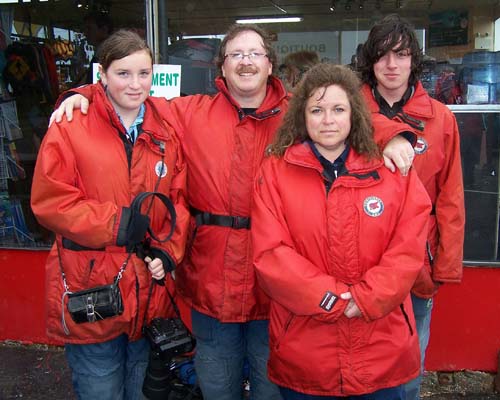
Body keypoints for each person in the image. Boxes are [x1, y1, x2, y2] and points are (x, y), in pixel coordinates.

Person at [50, 23, 417, 400]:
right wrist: (81, 94)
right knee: (216, 381)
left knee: (270, 382)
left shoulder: (299, 112)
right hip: (213, 277)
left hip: (277, 283)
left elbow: (346, 116)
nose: (245, 62)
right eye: (235, 55)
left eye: (255, 53)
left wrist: (394, 135)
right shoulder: (189, 112)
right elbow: (131, 96)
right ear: (221, 68)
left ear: (270, 64)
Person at [252, 63, 432, 399]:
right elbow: (270, 252)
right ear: (302, 116)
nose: (328, 120)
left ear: (354, 114)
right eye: (316, 110)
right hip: (307, 354)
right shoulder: (275, 172)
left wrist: (366, 297)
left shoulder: (392, 170)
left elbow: (408, 248)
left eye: (338, 109)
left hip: (380, 348)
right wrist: (330, 299)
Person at [31, 29, 189, 400]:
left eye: (144, 73)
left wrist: (169, 251)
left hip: (148, 296)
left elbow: (179, 201)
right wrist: (116, 223)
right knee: (100, 388)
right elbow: (49, 200)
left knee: (142, 389)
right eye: (123, 73)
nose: (135, 84)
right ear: (101, 74)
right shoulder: (71, 124)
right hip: (94, 288)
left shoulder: (166, 129)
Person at [357, 14, 466, 400]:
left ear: (412, 61)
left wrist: (445, 265)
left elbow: (450, 197)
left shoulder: (441, 119)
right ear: (370, 61)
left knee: (409, 361)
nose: (391, 65)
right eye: (383, 55)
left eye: (401, 55)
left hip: (418, 264)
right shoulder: (345, 115)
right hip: (359, 263)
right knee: (358, 362)